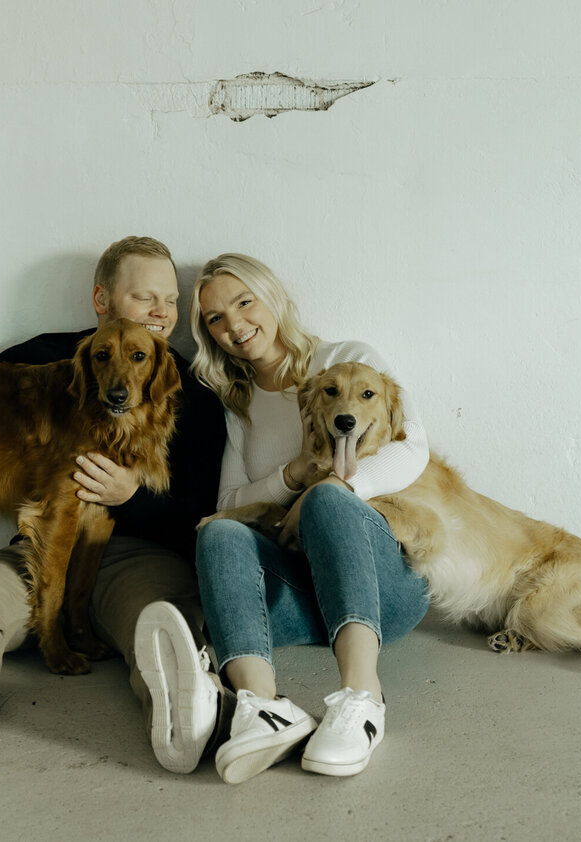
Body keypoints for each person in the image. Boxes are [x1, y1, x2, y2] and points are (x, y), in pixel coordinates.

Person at [0, 237, 229, 774]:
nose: (161, 312)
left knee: (163, 621)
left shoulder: (192, 389)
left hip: (137, 557)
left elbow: (202, 508)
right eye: (145, 298)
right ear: (102, 300)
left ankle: (188, 719)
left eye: (170, 299)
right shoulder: (46, 357)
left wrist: (131, 496)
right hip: (41, 548)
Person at [189, 252, 432, 782]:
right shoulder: (237, 402)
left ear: (272, 298)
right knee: (220, 533)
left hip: (383, 587)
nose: (234, 324)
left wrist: (327, 490)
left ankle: (363, 698)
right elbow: (229, 502)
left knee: (328, 498)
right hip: (306, 604)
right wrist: (295, 474)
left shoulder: (347, 360)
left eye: (244, 302)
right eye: (215, 318)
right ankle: (262, 706)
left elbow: (414, 449)